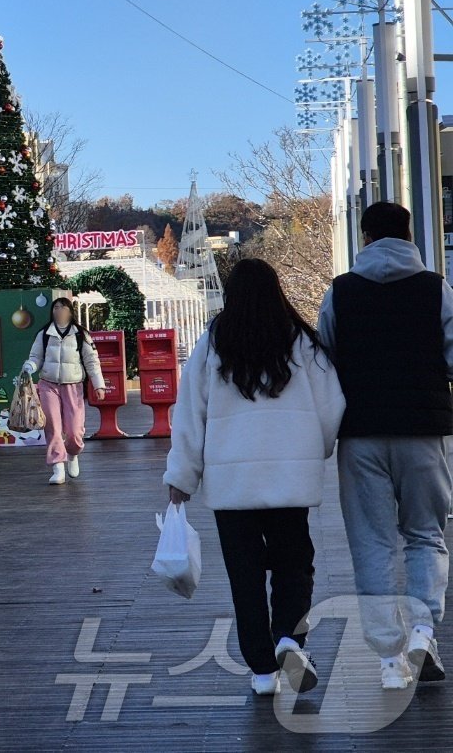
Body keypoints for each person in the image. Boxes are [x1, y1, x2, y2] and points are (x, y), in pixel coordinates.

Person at [165, 258, 345, 696]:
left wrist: (181, 478)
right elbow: (331, 408)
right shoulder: (303, 343)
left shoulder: (212, 344)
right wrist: (313, 452)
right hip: (289, 480)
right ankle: (288, 637)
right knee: (294, 566)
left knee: (244, 576)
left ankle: (262, 670)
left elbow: (190, 418)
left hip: (232, 487)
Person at [317, 201, 453, 690]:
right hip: (422, 432)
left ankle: (390, 660)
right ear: (409, 235)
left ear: (366, 237)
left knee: (371, 544)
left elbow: (322, 361)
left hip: (360, 435)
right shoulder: (435, 288)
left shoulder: (342, 291)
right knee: (425, 534)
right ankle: (422, 629)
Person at [20, 298, 105, 485]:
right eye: (56, 307)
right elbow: (36, 357)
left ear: (70, 311)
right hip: (48, 385)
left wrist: (99, 384)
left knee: (75, 431)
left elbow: (92, 361)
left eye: (63, 307)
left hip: (73, 385)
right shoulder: (44, 333)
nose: (59, 311)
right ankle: (58, 466)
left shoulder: (81, 334)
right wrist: (29, 366)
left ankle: (73, 453)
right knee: (53, 427)